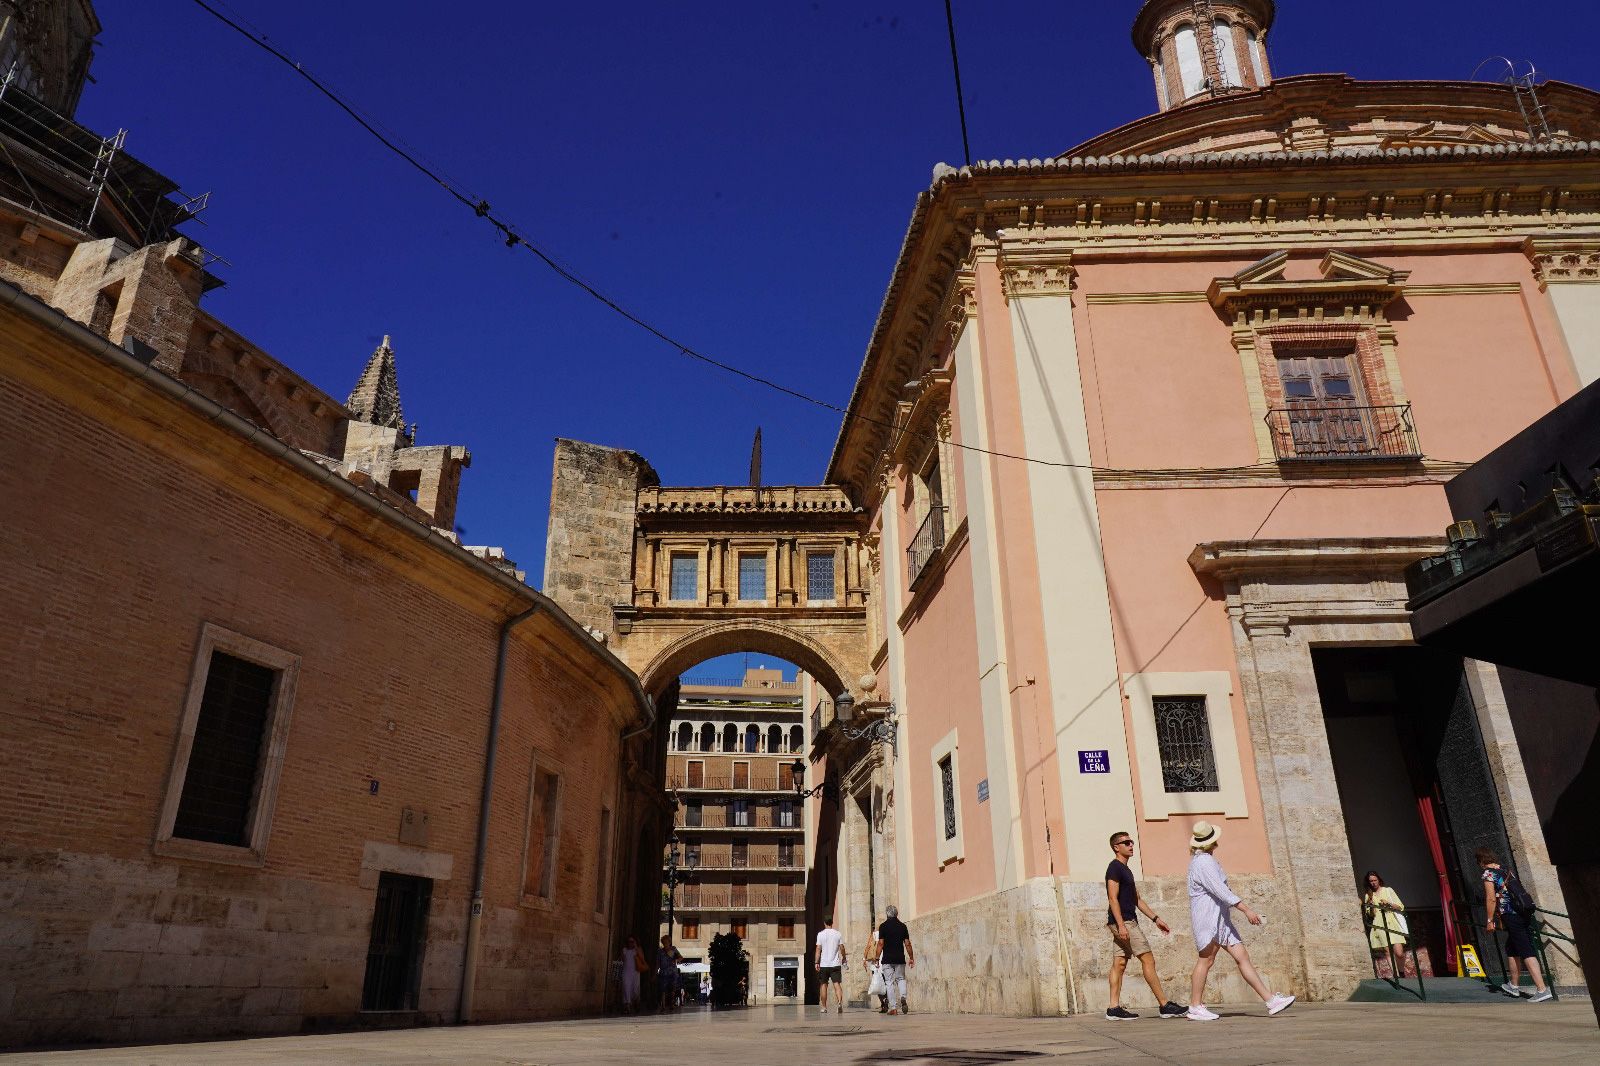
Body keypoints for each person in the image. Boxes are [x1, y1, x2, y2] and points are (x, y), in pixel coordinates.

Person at [1184, 821, 1294, 1021]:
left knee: (1242, 956)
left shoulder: (1205, 860)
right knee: (1206, 960)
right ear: (1211, 842)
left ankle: (1271, 1000)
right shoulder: (1203, 863)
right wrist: (1247, 910)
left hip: (1220, 920)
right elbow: (1222, 891)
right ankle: (1195, 1006)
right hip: (1209, 919)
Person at [1104, 831, 1186, 1020]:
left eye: (1131, 842)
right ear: (1116, 847)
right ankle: (1164, 1005)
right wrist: (1121, 925)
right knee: (1148, 960)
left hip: (1124, 921)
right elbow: (1112, 898)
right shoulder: (1114, 868)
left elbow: (1137, 899)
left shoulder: (1126, 869)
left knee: (1120, 963)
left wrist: (1156, 919)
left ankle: (1113, 1008)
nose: (1131, 845)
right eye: (1126, 843)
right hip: (1124, 922)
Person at [1477, 848, 1553, 1002]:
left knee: (1525, 949)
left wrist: (1490, 920)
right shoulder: (1505, 870)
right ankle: (1514, 985)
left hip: (1510, 914)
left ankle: (1542, 989)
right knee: (1512, 948)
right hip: (1522, 912)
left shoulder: (1488, 873)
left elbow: (1491, 898)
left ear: (1480, 861)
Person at [1360, 871, 1410, 978]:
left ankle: (1401, 973)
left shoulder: (1388, 890)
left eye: (1375, 880)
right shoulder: (1368, 896)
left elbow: (1400, 906)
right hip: (1379, 924)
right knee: (1387, 951)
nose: (1373, 883)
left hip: (1392, 923)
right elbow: (1370, 914)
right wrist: (1371, 906)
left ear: (1379, 880)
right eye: (1371, 881)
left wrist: (1388, 903)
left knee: (1399, 953)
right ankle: (1396, 976)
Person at [875, 905, 914, 1016]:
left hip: (887, 959)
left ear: (887, 914)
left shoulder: (883, 926)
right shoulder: (902, 926)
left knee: (889, 982)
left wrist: (877, 958)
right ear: (896, 914)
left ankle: (893, 1008)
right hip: (900, 958)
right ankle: (903, 997)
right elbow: (907, 943)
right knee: (901, 979)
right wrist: (911, 957)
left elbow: (880, 943)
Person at [814, 914, 846, 1014]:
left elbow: (818, 949)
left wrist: (816, 962)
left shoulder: (820, 934)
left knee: (823, 985)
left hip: (824, 964)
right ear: (832, 923)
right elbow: (842, 948)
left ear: (824, 923)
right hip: (835, 964)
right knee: (837, 984)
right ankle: (839, 1003)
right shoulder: (838, 934)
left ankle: (824, 1007)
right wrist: (844, 957)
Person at [863, 929, 889, 1013]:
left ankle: (883, 1003)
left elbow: (868, 946)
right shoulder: (886, 933)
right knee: (886, 983)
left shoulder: (873, 934)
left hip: (875, 963)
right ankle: (887, 1000)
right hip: (885, 962)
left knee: (877, 983)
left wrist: (864, 959)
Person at [656, 934, 682, 1013]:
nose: (665, 943)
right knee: (663, 990)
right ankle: (663, 1006)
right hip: (663, 972)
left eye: (666, 942)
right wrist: (655, 972)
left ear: (669, 942)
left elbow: (681, 957)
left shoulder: (673, 949)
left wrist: (676, 960)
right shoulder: (660, 951)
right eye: (663, 942)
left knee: (672, 989)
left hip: (672, 972)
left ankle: (671, 1004)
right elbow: (658, 963)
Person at [620, 934, 644, 1013]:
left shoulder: (638, 949)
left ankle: (635, 1004)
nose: (630, 943)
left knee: (635, 990)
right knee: (626, 987)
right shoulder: (624, 950)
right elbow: (622, 960)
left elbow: (642, 958)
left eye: (632, 941)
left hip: (635, 972)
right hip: (626, 972)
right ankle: (627, 1005)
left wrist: (636, 948)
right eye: (629, 941)